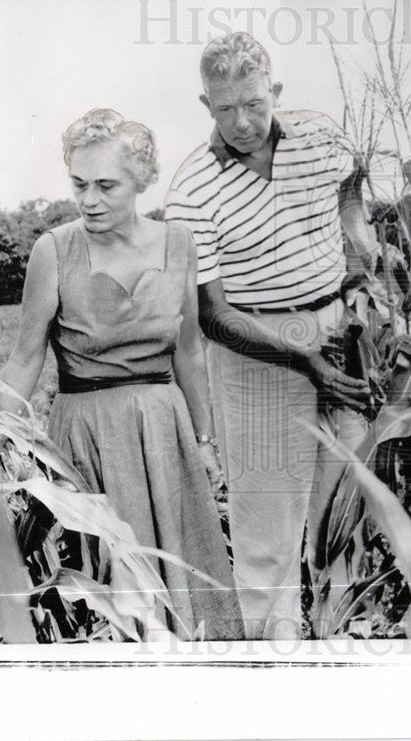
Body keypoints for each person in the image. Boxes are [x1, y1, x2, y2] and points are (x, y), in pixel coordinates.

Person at [0, 108, 243, 640]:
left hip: (163, 432)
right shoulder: (54, 250)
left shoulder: (179, 244)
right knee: (106, 594)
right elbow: (24, 357)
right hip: (84, 434)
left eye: (106, 186)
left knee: (186, 583)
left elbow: (189, 350)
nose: (89, 200)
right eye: (79, 184)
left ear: (141, 181)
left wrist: (204, 440)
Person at [164, 32, 377, 640]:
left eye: (254, 103)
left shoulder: (320, 135)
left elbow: (351, 190)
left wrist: (359, 264)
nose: (242, 121)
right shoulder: (190, 191)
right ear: (206, 104)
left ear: (275, 92)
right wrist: (299, 354)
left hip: (339, 333)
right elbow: (212, 316)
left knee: (344, 518)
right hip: (256, 344)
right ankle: (274, 668)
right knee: (265, 538)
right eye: (225, 108)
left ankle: (339, 653)